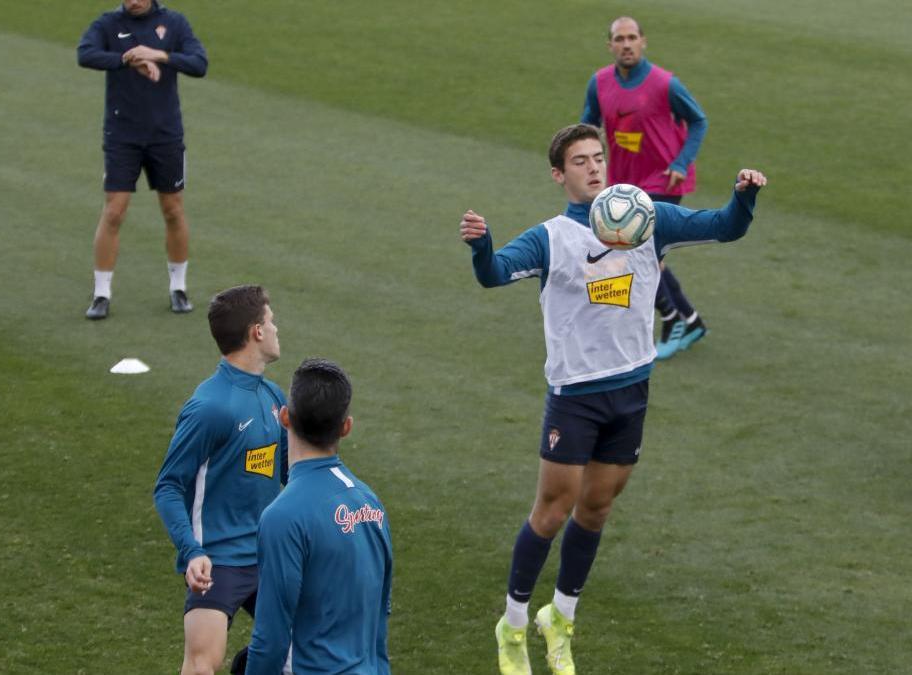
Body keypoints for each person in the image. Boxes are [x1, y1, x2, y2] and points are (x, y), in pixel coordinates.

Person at [459, 123, 766, 675]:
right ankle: (512, 625)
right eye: (580, 161)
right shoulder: (550, 238)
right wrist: (482, 245)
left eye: (598, 157)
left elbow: (724, 227)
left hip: (632, 388)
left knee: (597, 508)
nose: (595, 167)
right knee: (553, 510)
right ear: (559, 174)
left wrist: (744, 196)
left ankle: (562, 619)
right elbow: (494, 274)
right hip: (575, 396)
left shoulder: (647, 218)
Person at [154, 285, 288, 674]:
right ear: (256, 332)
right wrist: (192, 551)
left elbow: (291, 476)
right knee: (200, 665)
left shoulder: (274, 397)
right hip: (218, 561)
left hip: (267, 556)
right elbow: (168, 486)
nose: (277, 328)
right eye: (271, 320)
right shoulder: (210, 407)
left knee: (309, 655)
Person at [243, 358, 393, 674]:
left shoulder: (282, 516)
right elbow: (379, 617)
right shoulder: (371, 504)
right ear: (346, 427)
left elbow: (270, 639)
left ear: (284, 416)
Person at [580, 16, 712, 360]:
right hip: (624, 184)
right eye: (619, 39)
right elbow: (587, 125)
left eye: (632, 37)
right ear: (609, 45)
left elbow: (699, 120)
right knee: (649, 255)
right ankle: (690, 319)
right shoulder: (599, 83)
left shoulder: (665, 84)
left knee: (632, 250)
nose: (626, 44)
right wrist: (581, 159)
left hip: (662, 180)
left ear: (643, 41)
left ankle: (671, 319)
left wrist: (682, 163)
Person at [77, 0, 208, 320]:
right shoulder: (108, 24)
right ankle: (101, 294)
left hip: (166, 135)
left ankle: (178, 288)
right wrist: (126, 58)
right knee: (114, 210)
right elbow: (85, 54)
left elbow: (199, 63)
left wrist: (159, 54)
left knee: (173, 209)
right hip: (122, 136)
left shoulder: (174, 23)